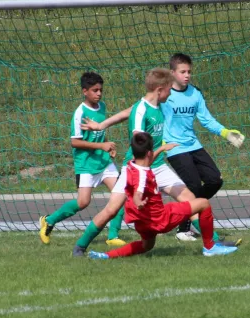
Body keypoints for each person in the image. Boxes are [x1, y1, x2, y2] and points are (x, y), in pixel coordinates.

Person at [72, 68, 202, 257]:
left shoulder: (158, 105)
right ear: (160, 89)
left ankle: (212, 242)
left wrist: (101, 125)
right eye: (169, 90)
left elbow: (125, 112)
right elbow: (138, 143)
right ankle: (80, 246)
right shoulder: (142, 110)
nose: (171, 93)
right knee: (111, 209)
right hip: (136, 168)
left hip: (156, 165)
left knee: (190, 199)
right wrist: (160, 150)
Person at [88, 132, 238, 259]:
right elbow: (139, 191)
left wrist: (161, 149)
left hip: (142, 222)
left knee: (146, 246)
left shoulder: (132, 165)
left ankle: (106, 255)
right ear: (148, 153)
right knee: (203, 203)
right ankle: (210, 247)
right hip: (161, 219)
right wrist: (137, 200)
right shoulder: (142, 175)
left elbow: (146, 163)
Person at [162, 53, 244, 241]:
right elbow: (154, 118)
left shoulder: (195, 92)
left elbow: (206, 119)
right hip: (174, 147)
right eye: (183, 71)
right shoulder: (164, 94)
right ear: (172, 72)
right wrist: (160, 143)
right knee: (192, 185)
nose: (187, 75)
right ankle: (184, 229)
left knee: (215, 180)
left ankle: (192, 209)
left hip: (193, 144)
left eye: (189, 71)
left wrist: (226, 133)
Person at [39, 72, 126, 246]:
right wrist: (101, 146)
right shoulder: (79, 113)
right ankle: (49, 220)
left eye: (101, 90)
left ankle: (113, 236)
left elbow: (100, 131)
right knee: (83, 202)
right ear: (84, 91)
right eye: (95, 90)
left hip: (104, 162)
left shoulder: (102, 106)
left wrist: (107, 145)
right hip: (85, 164)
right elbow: (74, 142)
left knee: (121, 195)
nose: (99, 94)